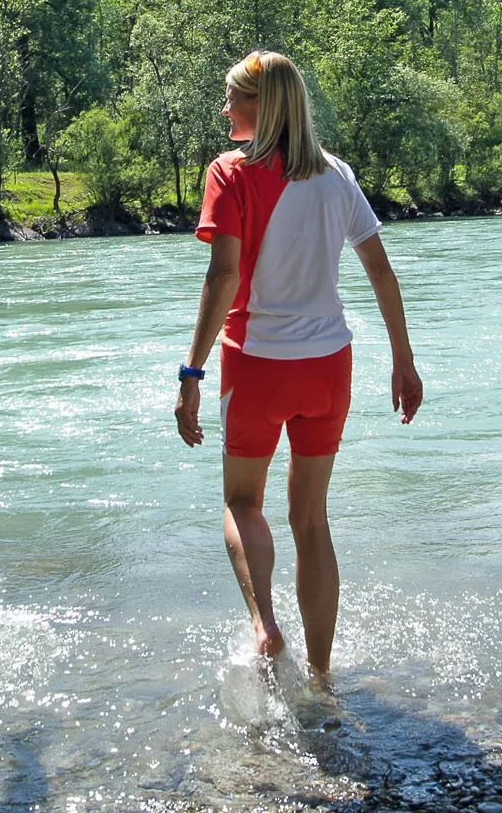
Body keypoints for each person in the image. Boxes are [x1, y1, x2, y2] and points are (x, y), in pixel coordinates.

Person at [174, 50, 423, 682]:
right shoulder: (337, 175)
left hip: (257, 363)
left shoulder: (229, 173)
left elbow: (224, 275)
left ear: (261, 106)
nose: (225, 108)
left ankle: (263, 628)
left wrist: (191, 372)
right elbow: (380, 269)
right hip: (328, 368)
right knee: (311, 519)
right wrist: (403, 359)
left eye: (232, 97)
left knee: (240, 503)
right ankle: (319, 674)